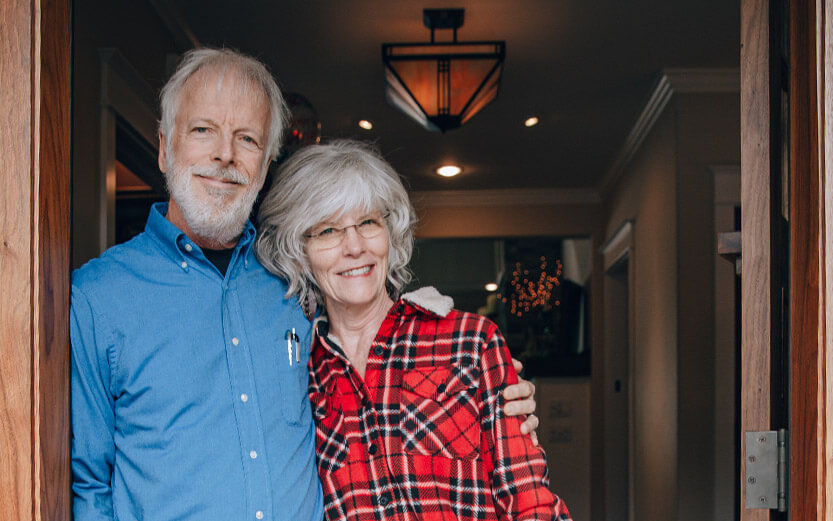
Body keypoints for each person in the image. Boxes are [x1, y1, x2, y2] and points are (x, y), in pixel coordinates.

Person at [71, 48, 538, 521]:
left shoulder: (292, 290)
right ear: (164, 147)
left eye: (247, 138)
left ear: (266, 161)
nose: (225, 154)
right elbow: (87, 483)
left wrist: (494, 392)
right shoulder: (97, 297)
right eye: (202, 129)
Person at [256, 139, 572, 521]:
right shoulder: (299, 380)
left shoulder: (471, 343)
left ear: (391, 232)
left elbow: (530, 501)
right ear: (298, 251)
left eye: (368, 222)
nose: (354, 246)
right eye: (327, 231)